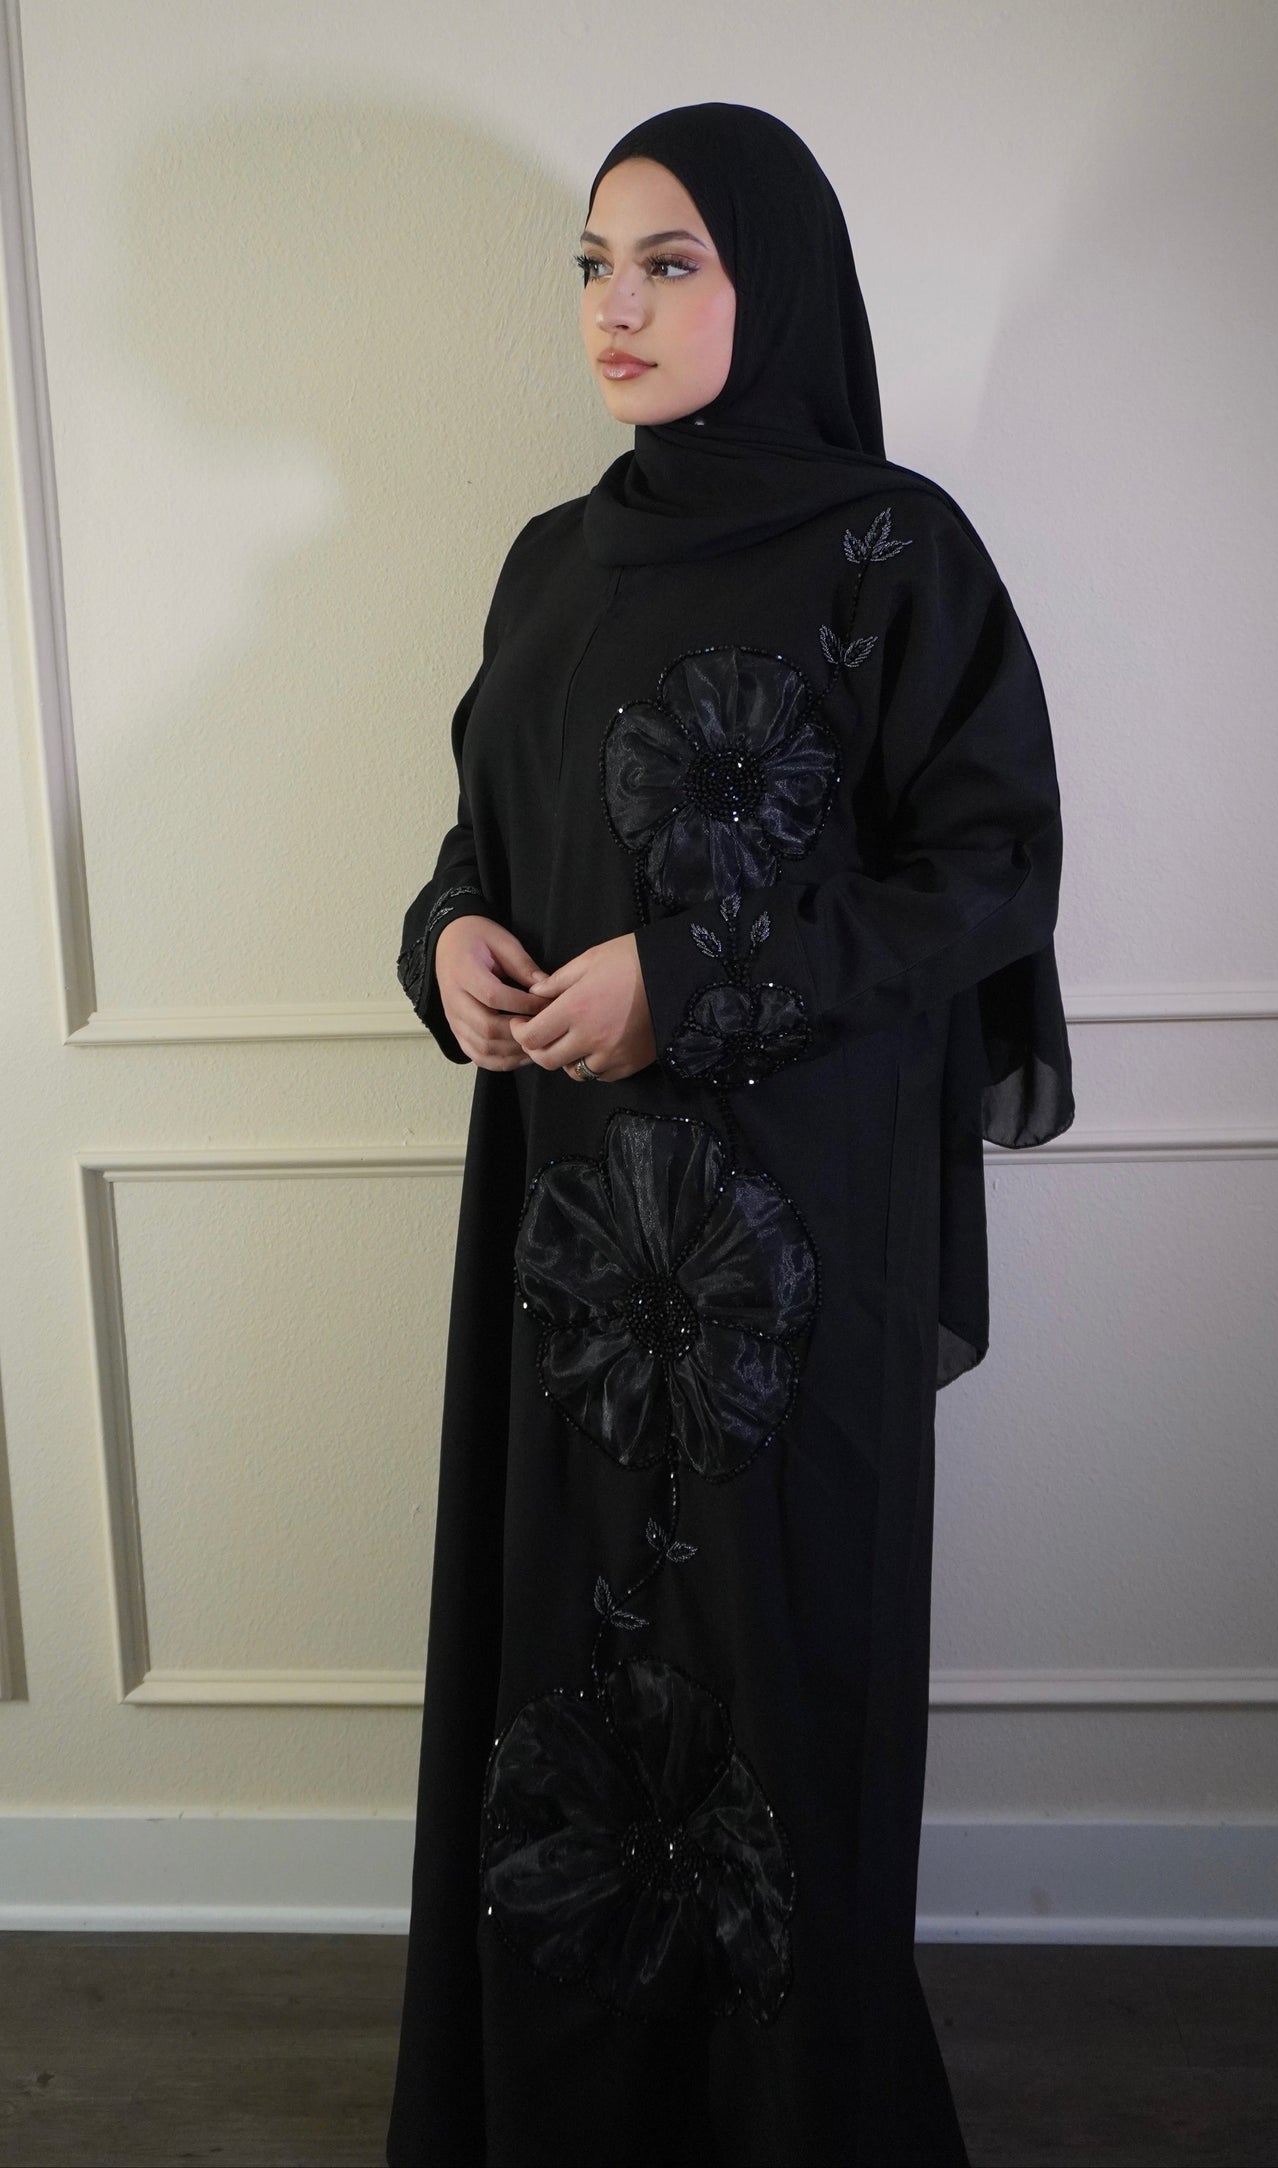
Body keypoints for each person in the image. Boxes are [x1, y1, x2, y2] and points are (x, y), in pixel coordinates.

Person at [385, 100, 1074, 2168]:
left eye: (669, 261)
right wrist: (448, 942)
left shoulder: (894, 551)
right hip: (571, 1245)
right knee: (565, 1682)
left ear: (772, 287)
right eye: (595, 265)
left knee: (781, 1678)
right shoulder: (549, 561)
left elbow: (987, 872)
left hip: (790, 1252)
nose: (617, 304)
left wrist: (684, 979)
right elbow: (482, 840)